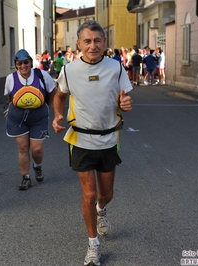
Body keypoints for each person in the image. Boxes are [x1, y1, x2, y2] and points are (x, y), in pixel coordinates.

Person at [52, 20, 133, 266]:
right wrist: (57, 115)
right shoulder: (69, 70)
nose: (93, 45)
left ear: (104, 43)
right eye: (87, 41)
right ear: (79, 44)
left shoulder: (116, 68)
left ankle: (102, 211)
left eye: (97, 40)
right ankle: (93, 245)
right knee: (89, 193)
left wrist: (126, 104)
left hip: (109, 138)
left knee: (105, 194)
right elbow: (59, 95)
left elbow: (124, 97)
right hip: (80, 138)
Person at [4, 49, 55, 190]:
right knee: (23, 147)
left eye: (26, 62)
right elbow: (10, 96)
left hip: (38, 116)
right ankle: (25, 177)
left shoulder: (42, 75)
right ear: (16, 64)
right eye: (19, 63)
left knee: (36, 149)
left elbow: (52, 91)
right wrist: (10, 107)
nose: (23, 66)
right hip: (18, 117)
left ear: (31, 62)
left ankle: (37, 166)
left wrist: (48, 106)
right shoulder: (11, 78)